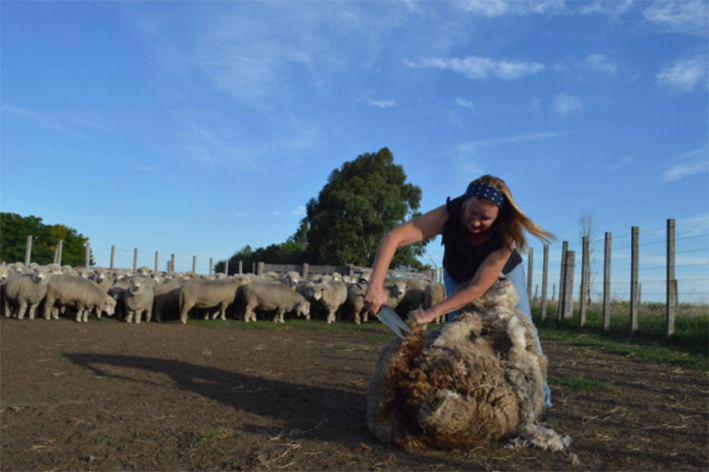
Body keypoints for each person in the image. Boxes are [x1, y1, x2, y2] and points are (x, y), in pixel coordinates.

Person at [363, 174, 556, 408]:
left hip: (501, 274)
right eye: (471, 213)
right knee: (456, 334)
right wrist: (375, 284)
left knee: (523, 331)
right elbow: (393, 238)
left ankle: (541, 403)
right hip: (458, 270)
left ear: (499, 217)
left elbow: (477, 287)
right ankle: (460, 397)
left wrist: (431, 312)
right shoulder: (448, 213)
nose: (475, 222)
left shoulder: (507, 237)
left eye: (485, 218)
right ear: (464, 203)